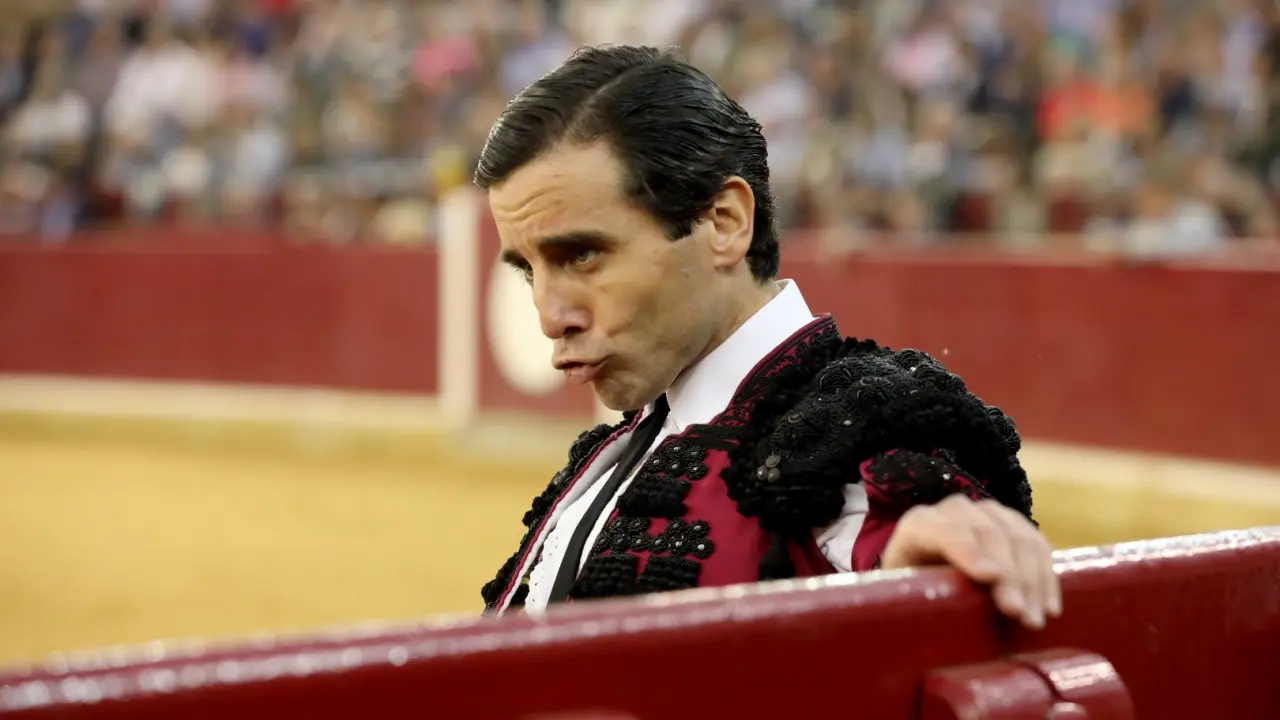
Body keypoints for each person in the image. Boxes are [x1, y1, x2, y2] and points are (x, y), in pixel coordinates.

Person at [475, 45, 1059, 629]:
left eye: (582, 254)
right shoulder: (619, 450)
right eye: (528, 270)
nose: (550, 317)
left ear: (724, 223)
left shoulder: (855, 444)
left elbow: (907, 547)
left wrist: (922, 566)